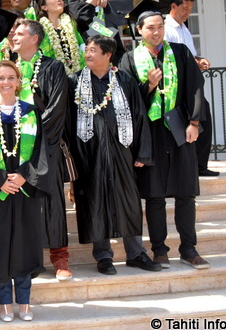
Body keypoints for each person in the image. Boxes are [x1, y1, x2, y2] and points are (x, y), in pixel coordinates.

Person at [119, 11, 209, 269]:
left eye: (160, 27)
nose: (156, 32)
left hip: (180, 126)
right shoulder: (129, 58)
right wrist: (147, 86)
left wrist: (194, 123)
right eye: (150, 28)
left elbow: (195, 86)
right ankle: (159, 249)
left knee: (185, 192)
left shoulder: (180, 52)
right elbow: (126, 99)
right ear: (140, 30)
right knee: (154, 194)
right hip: (150, 132)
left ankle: (189, 248)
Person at [67, 36, 161, 275]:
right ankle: (103, 257)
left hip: (122, 151)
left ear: (108, 55)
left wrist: (143, 152)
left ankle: (136, 253)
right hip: (89, 154)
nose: (87, 54)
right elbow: (67, 122)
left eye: (93, 50)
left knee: (128, 201)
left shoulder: (124, 81)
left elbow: (139, 116)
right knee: (95, 201)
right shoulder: (74, 82)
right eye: (86, 50)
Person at [0, 60, 52, 322]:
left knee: (25, 246)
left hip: (24, 190)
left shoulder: (31, 112)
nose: (6, 83)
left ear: (18, 82)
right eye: (1, 78)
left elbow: (41, 151)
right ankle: (5, 301)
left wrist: (25, 178)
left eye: (11, 78)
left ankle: (25, 300)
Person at [10, 20, 72, 281]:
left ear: (34, 39)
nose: (14, 37)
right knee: (23, 202)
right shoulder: (7, 69)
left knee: (52, 200)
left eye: (20, 33)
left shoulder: (52, 67)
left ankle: (60, 258)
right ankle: (30, 259)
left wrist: (33, 139)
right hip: (12, 146)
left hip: (45, 145)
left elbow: (56, 108)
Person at [163, 0, 217, 177]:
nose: (187, 12)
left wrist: (200, 60)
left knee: (204, 118)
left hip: (191, 82)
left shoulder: (184, 28)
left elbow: (190, 55)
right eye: (184, 8)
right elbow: (170, 57)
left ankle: (200, 165)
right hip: (177, 85)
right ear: (174, 6)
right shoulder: (165, 28)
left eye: (190, 9)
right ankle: (190, 167)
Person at [37, 0, 85, 75]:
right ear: (44, 7)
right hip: (52, 74)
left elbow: (81, 47)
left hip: (77, 73)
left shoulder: (71, 24)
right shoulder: (40, 29)